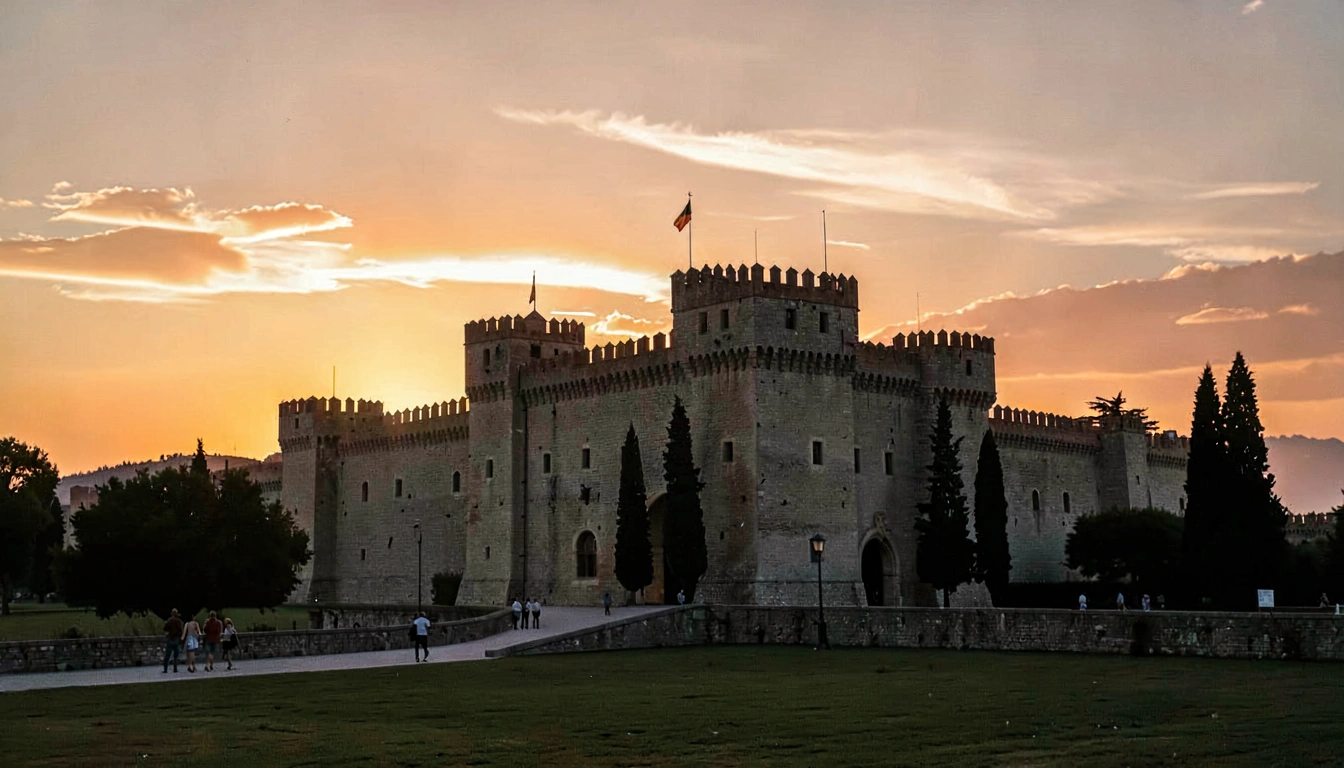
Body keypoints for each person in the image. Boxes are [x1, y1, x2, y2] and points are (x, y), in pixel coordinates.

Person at [162, 608, 184, 673]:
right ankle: (175, 669)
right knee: (176, 656)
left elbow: (165, 628)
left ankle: (165, 669)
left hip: (170, 639)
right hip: (177, 639)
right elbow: (181, 630)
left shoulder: (169, 620)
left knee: (167, 656)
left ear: (171, 613)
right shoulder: (179, 621)